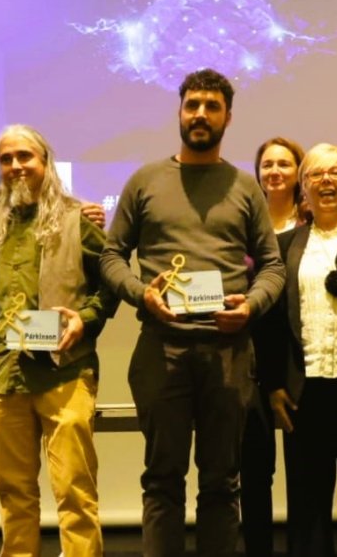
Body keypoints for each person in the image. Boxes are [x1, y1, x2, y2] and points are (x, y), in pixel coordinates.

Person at [102, 68, 285, 557]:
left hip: (229, 351)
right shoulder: (145, 180)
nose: (200, 114)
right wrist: (142, 294)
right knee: (162, 479)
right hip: (161, 348)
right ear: (180, 112)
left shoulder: (246, 187)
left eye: (211, 106)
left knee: (222, 482)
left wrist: (250, 306)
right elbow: (110, 257)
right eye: (192, 105)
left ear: (227, 116)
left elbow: (271, 266)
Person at [0, 124, 117, 556]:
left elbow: (112, 283)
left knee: (74, 494)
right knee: (13, 497)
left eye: (25, 157)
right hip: (3, 376)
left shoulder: (78, 220)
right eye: (7, 159)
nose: (16, 166)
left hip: (65, 371)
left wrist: (85, 319)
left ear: (45, 163)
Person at [258, 143, 337, 557]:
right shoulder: (285, 247)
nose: (326, 181)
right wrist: (274, 384)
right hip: (304, 392)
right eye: (316, 175)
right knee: (307, 506)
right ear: (303, 187)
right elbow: (273, 325)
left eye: (336, 173)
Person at [242, 136, 306, 557]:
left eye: (285, 163)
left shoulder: (315, 227)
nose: (276, 171)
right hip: (252, 366)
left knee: (304, 475)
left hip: (302, 367)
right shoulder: (245, 229)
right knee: (254, 474)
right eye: (267, 164)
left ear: (299, 171)